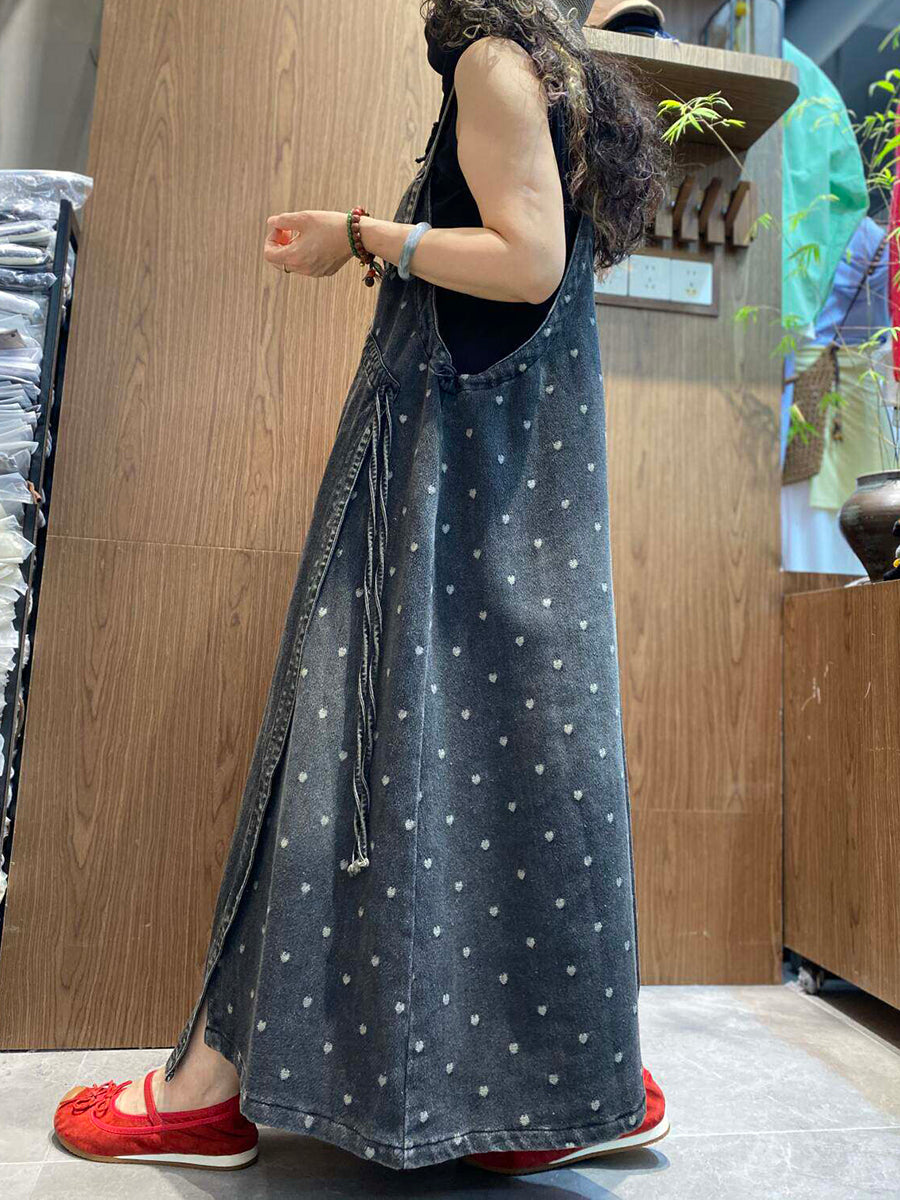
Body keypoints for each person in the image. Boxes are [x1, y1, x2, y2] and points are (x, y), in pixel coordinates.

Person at [52, 0, 671, 1176]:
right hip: (501, 509)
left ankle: (207, 1090)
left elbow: (527, 261)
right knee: (503, 772)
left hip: (430, 496)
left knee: (338, 752)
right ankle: (549, 1088)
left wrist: (362, 232)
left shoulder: (493, 62)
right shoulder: (551, 70)